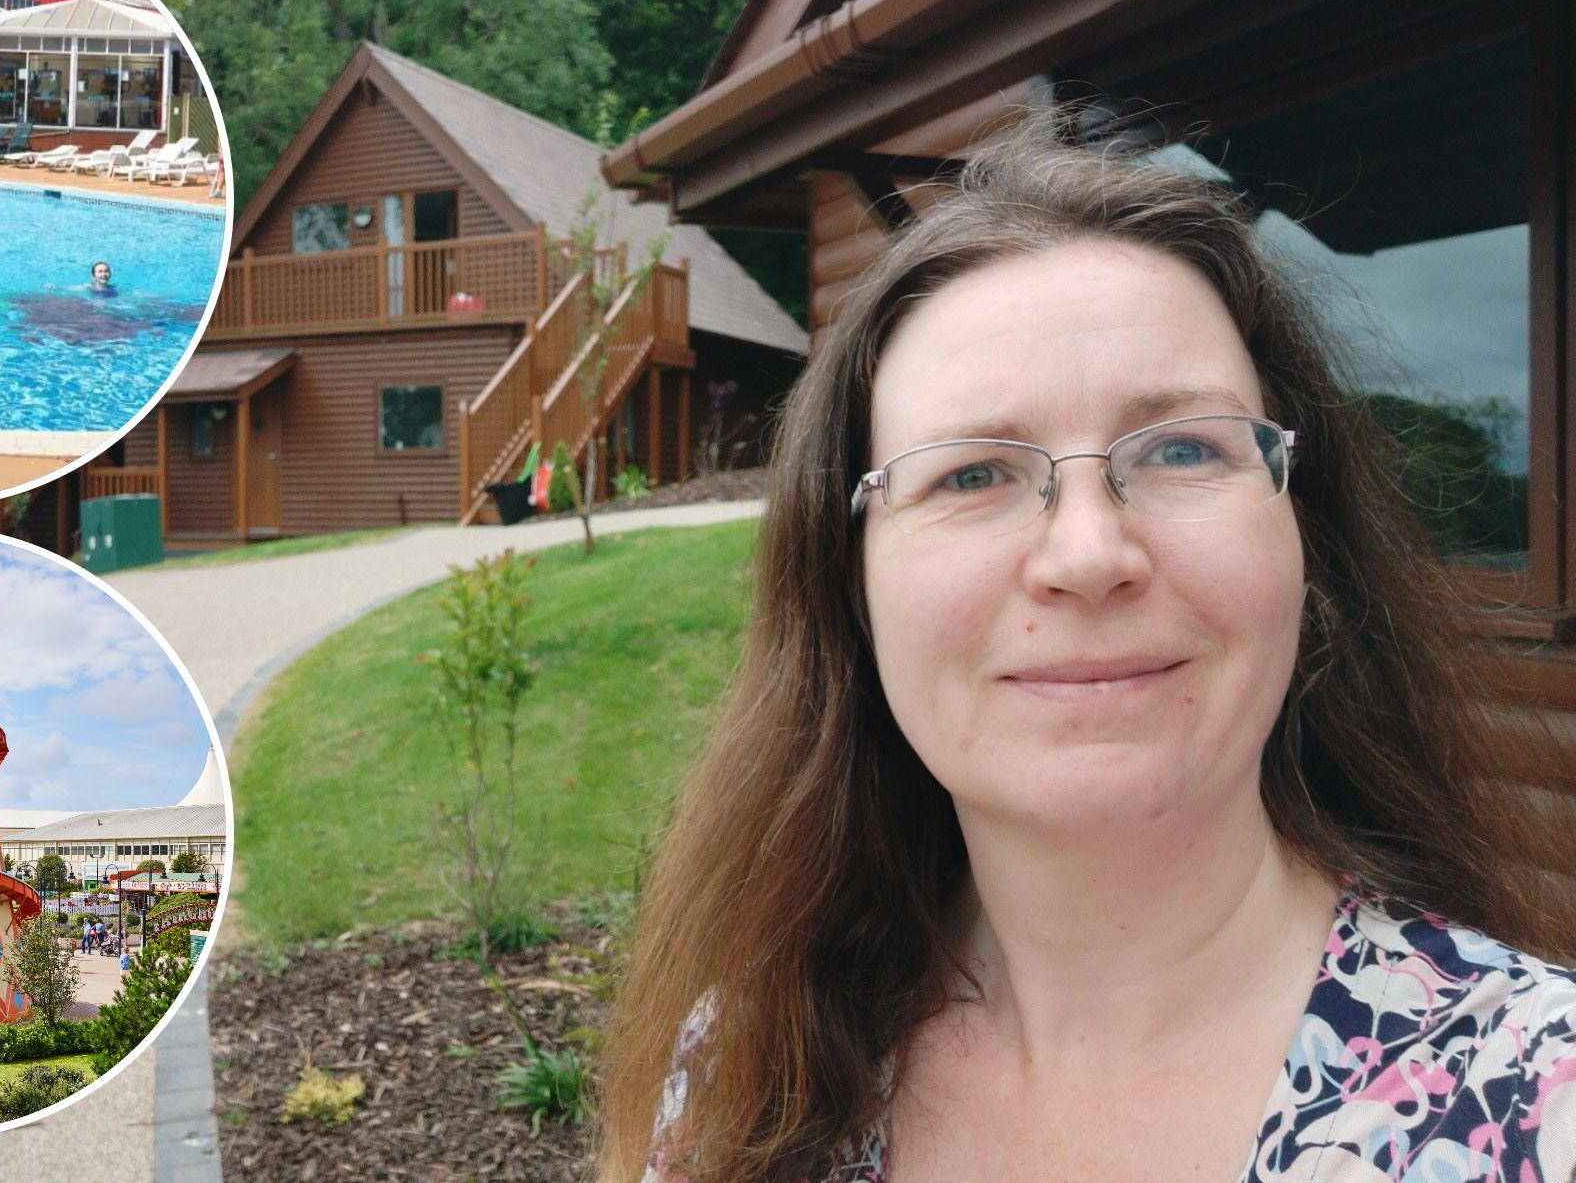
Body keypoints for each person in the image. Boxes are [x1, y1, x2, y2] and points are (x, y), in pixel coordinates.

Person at [600, 112, 1576, 1183]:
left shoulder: (1536, 1107)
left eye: (1179, 449)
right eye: (970, 472)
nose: (1086, 551)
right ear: (848, 584)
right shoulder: (744, 1067)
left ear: (1308, 546)